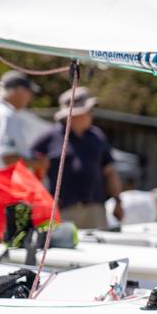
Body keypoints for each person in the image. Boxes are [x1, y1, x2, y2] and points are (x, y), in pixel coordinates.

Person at [31, 87, 124, 229]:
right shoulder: (49, 138)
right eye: (88, 111)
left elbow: (110, 171)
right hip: (63, 210)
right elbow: (31, 171)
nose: (91, 115)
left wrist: (118, 201)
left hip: (95, 209)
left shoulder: (97, 136)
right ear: (73, 114)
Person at [0, 70, 48, 174]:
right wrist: (37, 163)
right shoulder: (5, 115)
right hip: (3, 185)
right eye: (29, 92)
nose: (30, 98)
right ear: (20, 90)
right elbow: (9, 157)